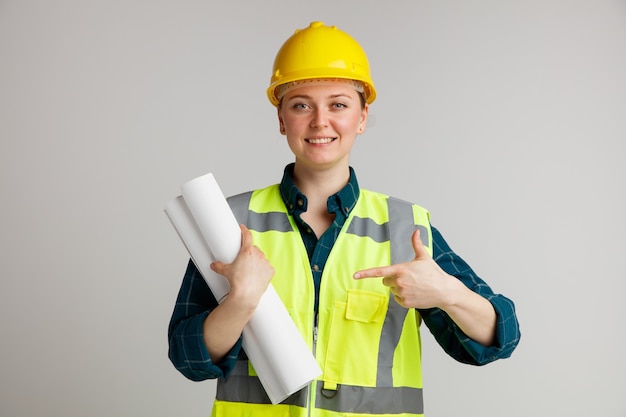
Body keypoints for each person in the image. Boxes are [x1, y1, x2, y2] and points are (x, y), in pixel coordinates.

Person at [168, 21, 520, 417]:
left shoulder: (406, 228)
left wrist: (449, 293)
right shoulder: (231, 223)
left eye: (338, 104)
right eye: (301, 104)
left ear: (362, 117)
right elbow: (188, 357)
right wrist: (241, 301)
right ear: (282, 119)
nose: (320, 121)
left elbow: (500, 338)